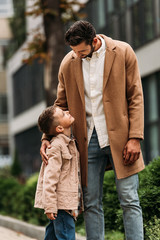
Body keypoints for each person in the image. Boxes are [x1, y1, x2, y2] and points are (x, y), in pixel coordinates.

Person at [40, 20, 145, 240]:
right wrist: (47, 136)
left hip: (121, 138)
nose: (76, 55)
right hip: (86, 141)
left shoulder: (123, 51)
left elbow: (135, 97)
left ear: (94, 41)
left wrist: (135, 137)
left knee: (129, 199)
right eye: (73, 51)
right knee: (91, 203)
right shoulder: (68, 62)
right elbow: (59, 105)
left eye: (81, 51)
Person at [34, 105, 83, 240]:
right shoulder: (56, 146)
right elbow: (49, 178)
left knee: (53, 236)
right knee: (66, 236)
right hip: (61, 206)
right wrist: (50, 206)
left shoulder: (69, 142)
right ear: (59, 128)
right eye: (63, 114)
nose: (68, 111)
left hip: (62, 204)